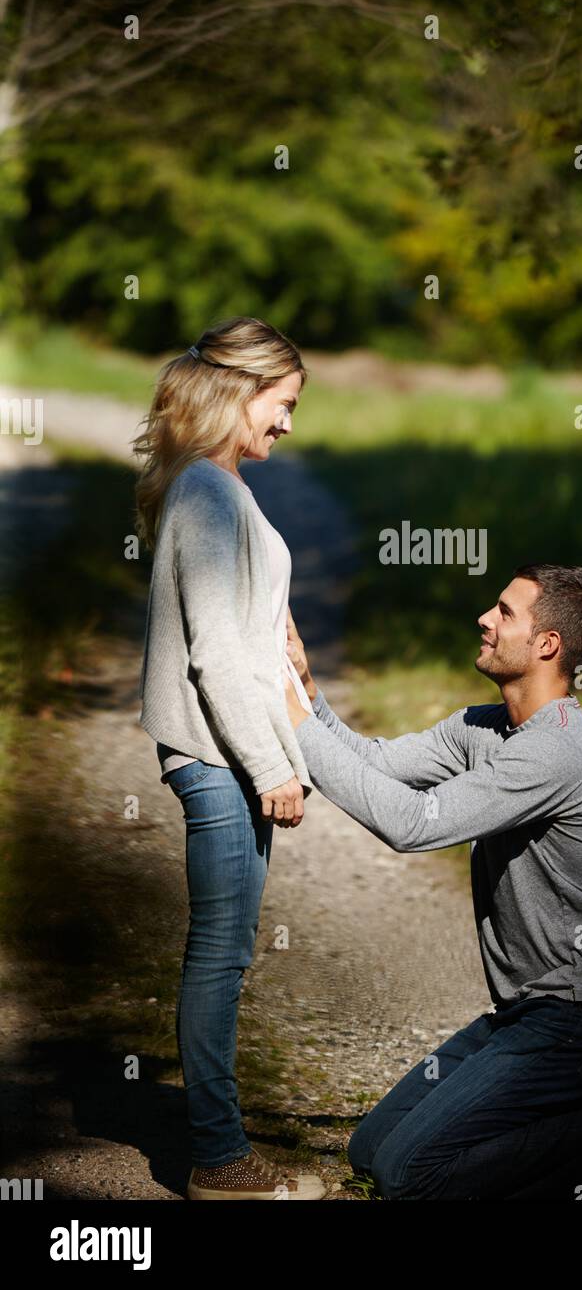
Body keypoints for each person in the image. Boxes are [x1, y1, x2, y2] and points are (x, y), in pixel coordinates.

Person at [283, 563, 582, 1200]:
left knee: (411, 1175)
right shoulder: (486, 726)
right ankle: (570, 1129)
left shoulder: (555, 751)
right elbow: (380, 763)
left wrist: (297, 725)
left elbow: (413, 824)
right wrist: (309, 697)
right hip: (530, 1010)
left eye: (505, 612)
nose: (485, 617)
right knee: (371, 1150)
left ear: (547, 645)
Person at [135, 316, 324, 1200]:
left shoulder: (218, 488)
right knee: (220, 955)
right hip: (218, 759)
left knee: (229, 950)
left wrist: (282, 627)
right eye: (281, 404)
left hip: (226, 755)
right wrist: (272, 769)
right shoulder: (209, 492)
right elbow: (210, 653)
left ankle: (221, 1145)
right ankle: (218, 1158)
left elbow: (235, 613)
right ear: (240, 391)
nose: (287, 424)